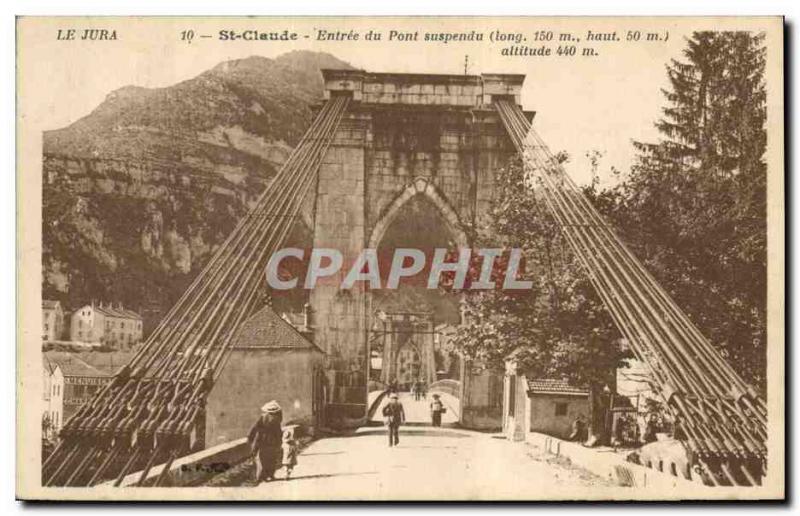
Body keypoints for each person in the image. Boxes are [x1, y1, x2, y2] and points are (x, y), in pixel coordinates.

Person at [248, 400, 283, 484]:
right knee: (272, 459)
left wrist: (250, 436)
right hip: (273, 442)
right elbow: (278, 432)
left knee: (263, 459)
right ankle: (270, 475)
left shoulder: (263, 417)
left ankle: (261, 477)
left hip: (263, 441)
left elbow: (255, 427)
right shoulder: (277, 419)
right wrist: (279, 441)